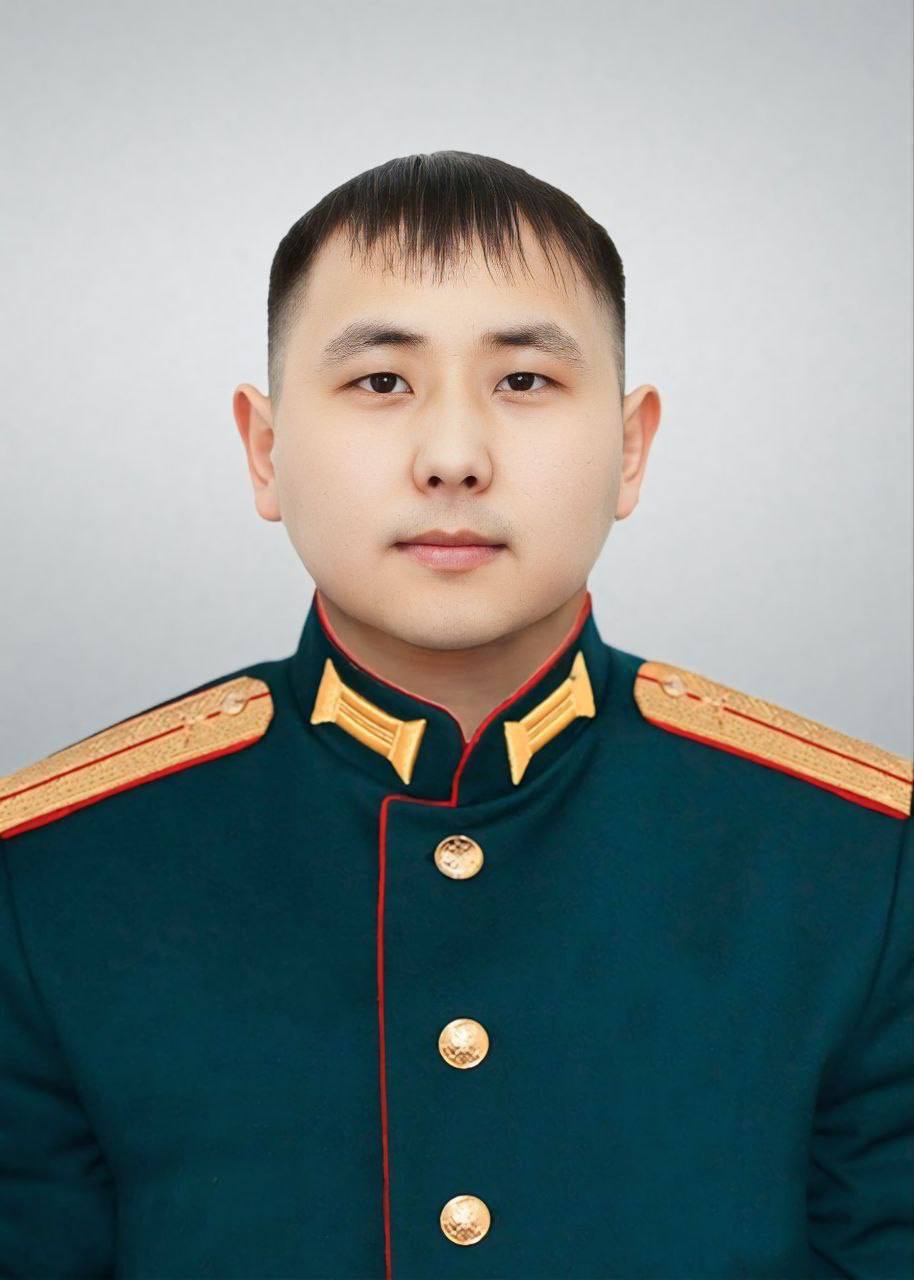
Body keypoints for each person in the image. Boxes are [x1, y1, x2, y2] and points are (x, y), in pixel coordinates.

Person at [1, 149, 911, 1280]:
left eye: (523, 380)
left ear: (630, 448)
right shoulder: (54, 876)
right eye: (381, 382)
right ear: (265, 449)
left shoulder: (856, 867)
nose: (451, 458)